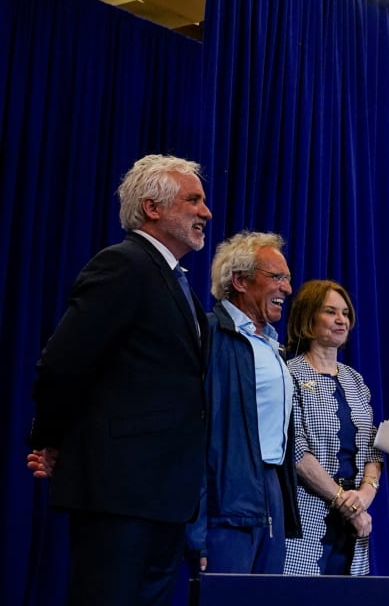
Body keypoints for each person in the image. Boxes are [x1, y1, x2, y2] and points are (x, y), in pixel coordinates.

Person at [26, 154, 211, 605]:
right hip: (120, 492)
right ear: (153, 207)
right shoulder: (124, 265)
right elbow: (63, 361)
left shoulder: (174, 279)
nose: (206, 212)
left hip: (163, 494)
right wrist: (51, 440)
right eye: (194, 200)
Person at [187, 231, 302, 574]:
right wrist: (196, 529)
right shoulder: (208, 335)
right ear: (239, 280)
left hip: (271, 494)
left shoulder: (272, 345)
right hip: (226, 500)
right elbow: (193, 435)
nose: (287, 289)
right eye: (277, 277)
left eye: (288, 278)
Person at [283, 280, 384, 576]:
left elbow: (372, 448)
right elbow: (296, 451)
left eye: (345, 313)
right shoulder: (290, 373)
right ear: (308, 317)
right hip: (307, 518)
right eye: (330, 312)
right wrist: (344, 502)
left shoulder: (356, 381)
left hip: (355, 525)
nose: (341, 320)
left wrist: (365, 494)